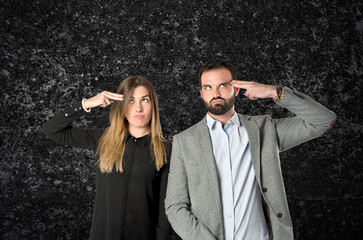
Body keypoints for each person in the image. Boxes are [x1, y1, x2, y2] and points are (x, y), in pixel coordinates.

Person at [165, 60, 337, 240]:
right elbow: (175, 206)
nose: (215, 93)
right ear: (201, 93)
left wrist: (275, 92)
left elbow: (323, 120)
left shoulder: (264, 129)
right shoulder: (184, 141)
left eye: (223, 86)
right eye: (208, 87)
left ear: (236, 89)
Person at [42, 76, 174, 240]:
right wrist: (86, 104)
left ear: (153, 105)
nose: (138, 108)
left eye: (144, 100)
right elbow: (52, 129)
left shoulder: (167, 151)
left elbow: (167, 206)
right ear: (122, 105)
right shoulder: (103, 139)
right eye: (131, 100)